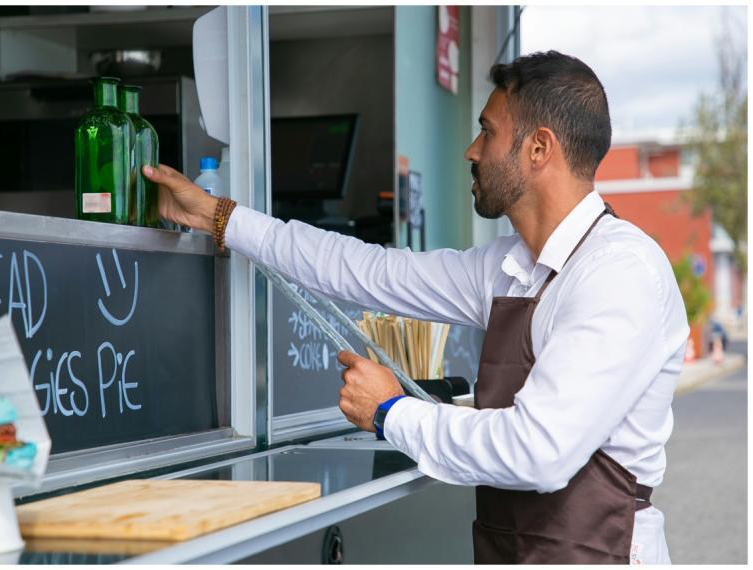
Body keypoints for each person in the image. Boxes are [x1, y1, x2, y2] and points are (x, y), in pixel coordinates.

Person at [142, 50, 688, 565]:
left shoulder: (618, 273)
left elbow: (538, 451)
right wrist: (221, 217)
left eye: (488, 131)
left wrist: (390, 411)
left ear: (538, 149)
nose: (472, 151)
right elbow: (366, 271)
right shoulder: (510, 266)